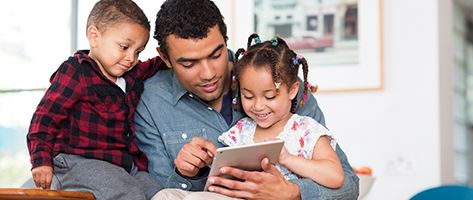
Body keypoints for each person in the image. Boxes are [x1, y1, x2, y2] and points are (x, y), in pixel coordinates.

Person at [135, 0, 359, 199]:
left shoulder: (280, 83)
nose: (208, 73)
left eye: (216, 55)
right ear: (164, 57)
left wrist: (293, 192)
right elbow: (157, 192)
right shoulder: (152, 102)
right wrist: (187, 173)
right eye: (189, 64)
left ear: (226, 40)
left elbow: (348, 185)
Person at [26, 0, 166, 199]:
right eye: (124, 47)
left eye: (138, 51)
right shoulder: (76, 71)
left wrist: (177, 55)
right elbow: (45, 118)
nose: (131, 58)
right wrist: (41, 160)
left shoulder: (131, 73)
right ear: (94, 36)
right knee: (128, 192)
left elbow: (154, 64)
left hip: (123, 163)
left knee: (158, 192)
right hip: (77, 161)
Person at [215, 34, 344, 191]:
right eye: (248, 96)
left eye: (269, 96)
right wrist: (212, 159)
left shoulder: (305, 130)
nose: (258, 105)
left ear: (292, 90)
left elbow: (335, 176)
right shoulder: (241, 131)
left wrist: (287, 159)